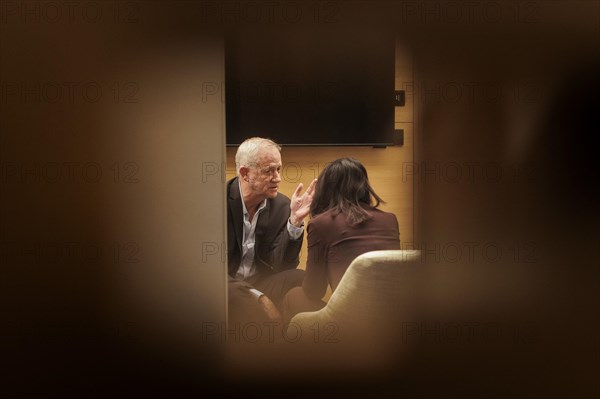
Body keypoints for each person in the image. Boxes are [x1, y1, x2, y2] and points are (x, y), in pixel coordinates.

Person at [282, 157, 400, 323]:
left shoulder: (321, 224)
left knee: (294, 296)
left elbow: (313, 291)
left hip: (349, 323)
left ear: (325, 189)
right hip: (392, 319)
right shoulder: (390, 220)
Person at [227, 137, 316, 325]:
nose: (278, 178)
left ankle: (302, 338)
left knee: (300, 278)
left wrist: (294, 222)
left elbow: (284, 266)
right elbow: (208, 271)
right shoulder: (216, 201)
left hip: (261, 283)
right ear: (245, 173)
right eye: (269, 171)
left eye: (278, 169)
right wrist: (258, 297)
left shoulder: (282, 206)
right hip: (225, 286)